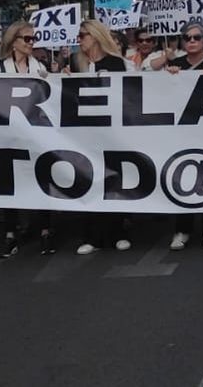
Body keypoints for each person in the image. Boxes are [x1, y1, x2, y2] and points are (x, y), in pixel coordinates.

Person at [0, 20, 50, 259]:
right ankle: (10, 232)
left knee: (40, 179)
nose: (32, 43)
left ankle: (44, 228)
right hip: (8, 136)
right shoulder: (0, 69)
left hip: (36, 136)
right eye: (27, 39)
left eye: (34, 39)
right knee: (9, 183)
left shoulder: (40, 67)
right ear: (14, 43)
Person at [70, 21, 135, 256]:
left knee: (113, 182)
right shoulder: (75, 63)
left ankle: (118, 233)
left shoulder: (115, 63)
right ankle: (92, 236)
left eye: (83, 35)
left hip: (110, 131)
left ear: (95, 36)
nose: (79, 39)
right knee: (89, 182)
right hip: (84, 134)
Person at [162, 23, 203, 250]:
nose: (191, 41)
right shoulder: (175, 65)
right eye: (187, 37)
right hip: (183, 132)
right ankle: (182, 230)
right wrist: (168, 77)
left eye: (197, 37)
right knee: (182, 179)